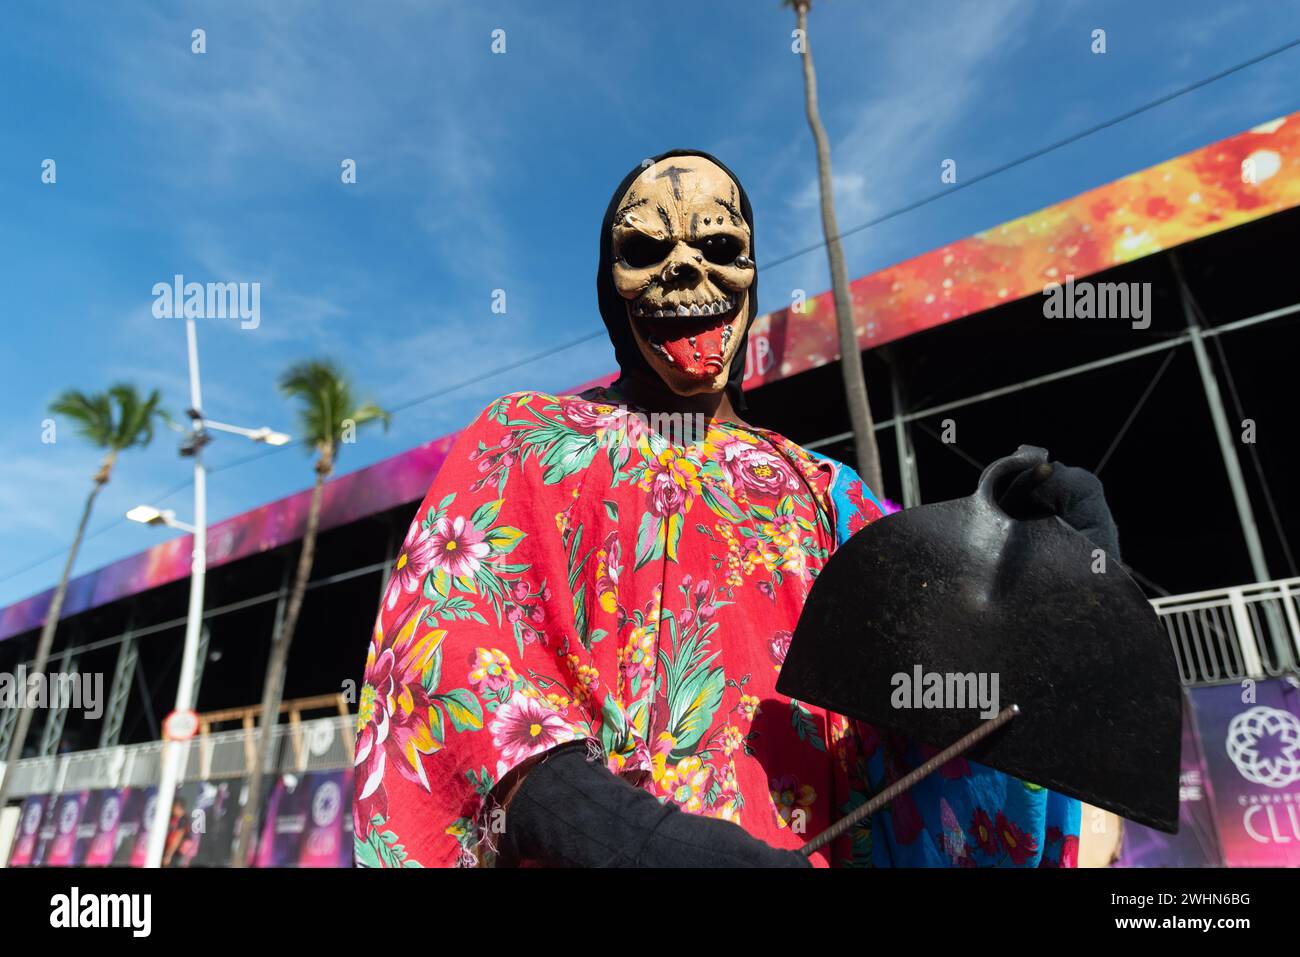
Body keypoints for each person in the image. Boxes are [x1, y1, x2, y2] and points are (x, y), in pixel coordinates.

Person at [352, 150, 1105, 867]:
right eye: (646, 248)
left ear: (750, 273)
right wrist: (621, 835)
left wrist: (1047, 600)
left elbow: (934, 720)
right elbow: (446, 662)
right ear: (610, 285)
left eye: (717, 242)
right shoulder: (523, 442)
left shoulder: (831, 499)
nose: (685, 267)